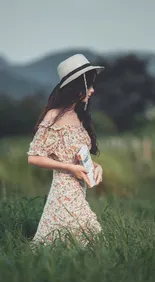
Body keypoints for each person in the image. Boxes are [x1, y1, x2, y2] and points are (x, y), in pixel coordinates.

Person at [27, 53, 105, 247]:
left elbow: (78, 155)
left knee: (71, 242)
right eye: (89, 85)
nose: (93, 90)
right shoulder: (53, 116)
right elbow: (34, 157)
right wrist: (70, 169)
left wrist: (95, 166)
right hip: (63, 190)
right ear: (76, 88)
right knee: (87, 237)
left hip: (79, 189)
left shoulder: (80, 116)